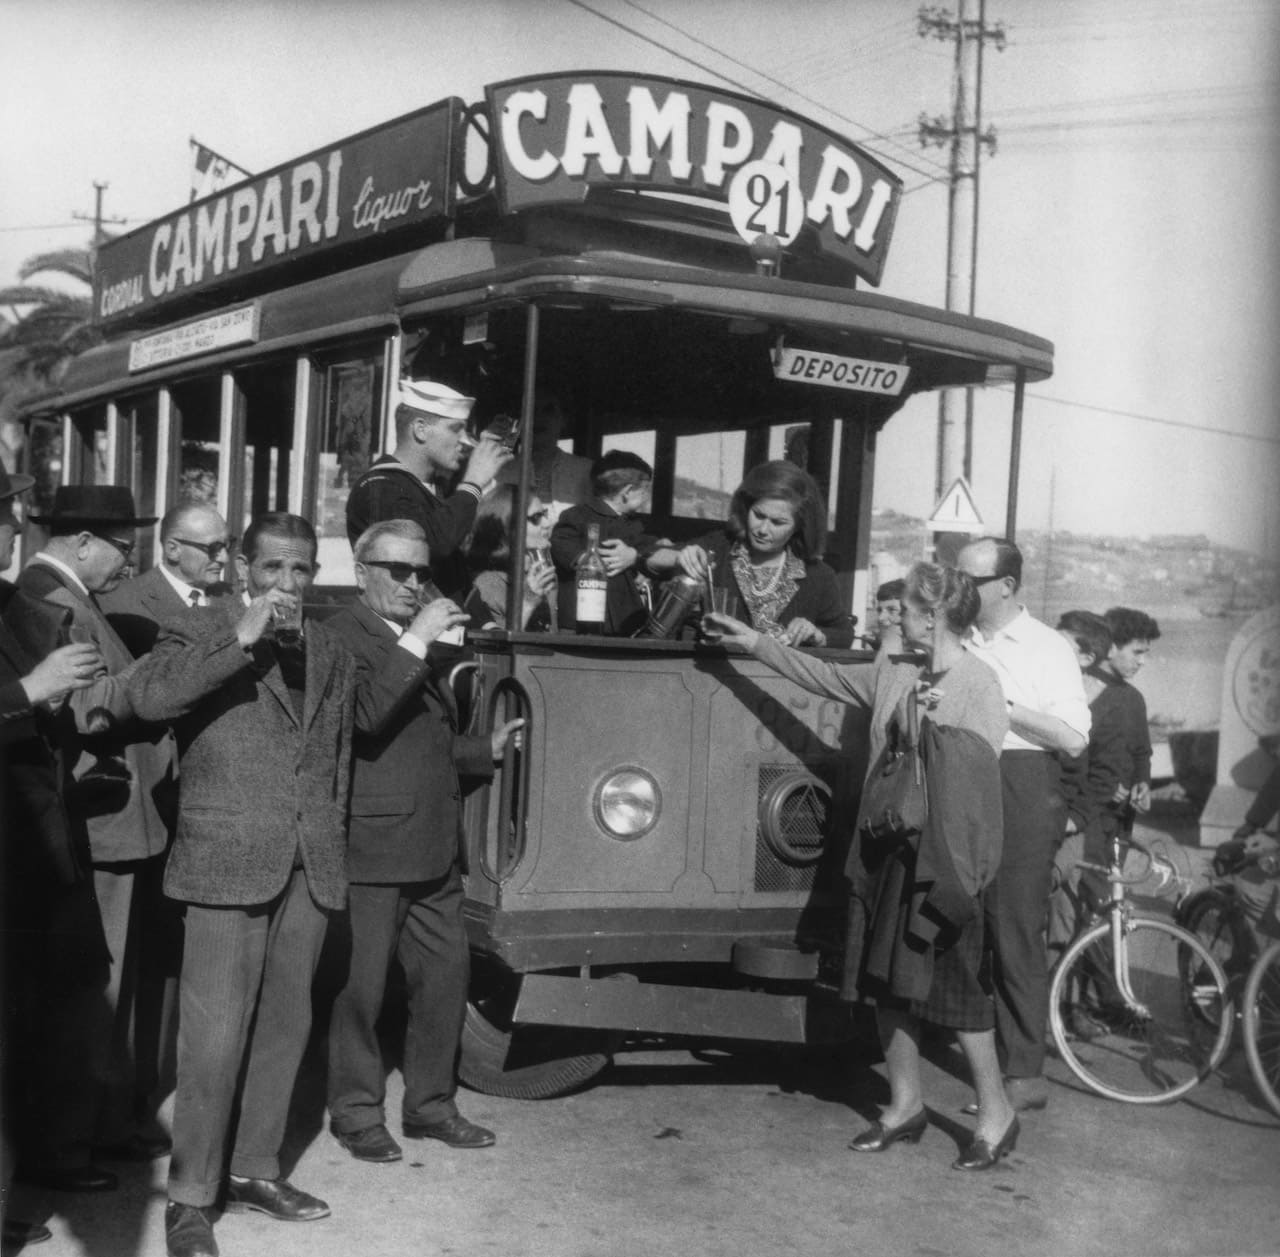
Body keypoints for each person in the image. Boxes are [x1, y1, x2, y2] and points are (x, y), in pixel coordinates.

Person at [707, 563, 1017, 1169]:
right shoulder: (895, 670)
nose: (893, 615)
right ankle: (905, 1106)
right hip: (883, 848)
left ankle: (997, 1113)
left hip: (940, 858)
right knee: (883, 985)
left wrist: (922, 723)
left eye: (903, 608)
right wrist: (754, 644)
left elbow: (974, 789)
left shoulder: (979, 684)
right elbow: (822, 675)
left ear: (933, 616)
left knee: (956, 994)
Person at [127, 513, 357, 1257]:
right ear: (241, 569)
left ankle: (257, 1168)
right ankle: (190, 1198)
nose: (287, 585)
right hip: (225, 860)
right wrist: (242, 638)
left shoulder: (331, 647)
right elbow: (153, 700)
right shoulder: (200, 629)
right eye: (272, 569)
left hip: (308, 863)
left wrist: (329, 843)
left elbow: (337, 760)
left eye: (301, 570)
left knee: (286, 1029)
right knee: (212, 1041)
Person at [325, 520, 522, 1163]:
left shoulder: (401, 638)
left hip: (433, 848)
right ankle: (356, 1114)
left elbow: (421, 744)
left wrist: (479, 751)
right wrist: (417, 639)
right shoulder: (337, 635)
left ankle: (431, 1106)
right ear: (362, 573)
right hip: (373, 848)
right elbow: (363, 720)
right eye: (397, 571)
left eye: (420, 571)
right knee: (359, 992)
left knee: (444, 981)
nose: (413, 583)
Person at [16, 485, 179, 1169]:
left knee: (105, 991)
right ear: (82, 541)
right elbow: (84, 709)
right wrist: (167, 679)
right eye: (123, 548)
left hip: (113, 822)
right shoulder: (52, 599)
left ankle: (101, 1127)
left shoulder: (68, 596)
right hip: (101, 822)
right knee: (91, 994)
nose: (128, 563)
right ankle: (67, 1145)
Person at [0, 459, 107, 1246]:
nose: (9, 530)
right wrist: (26, 691)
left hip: (35, 854)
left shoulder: (17, 603)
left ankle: (21, 1183)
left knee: (32, 1026)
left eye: (6, 514)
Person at [956, 537, 1090, 1113]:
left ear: (1006, 586)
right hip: (963, 775)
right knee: (964, 922)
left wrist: (996, 703)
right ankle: (981, 1056)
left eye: (970, 581)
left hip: (1024, 782)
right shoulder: (960, 635)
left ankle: (1023, 1073)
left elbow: (1074, 738)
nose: (958, 588)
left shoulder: (1046, 647)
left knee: (1014, 925)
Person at [651, 460, 855, 648]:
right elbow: (648, 557)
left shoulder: (818, 575)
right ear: (745, 507)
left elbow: (844, 635)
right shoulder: (719, 547)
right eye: (758, 515)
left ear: (800, 527)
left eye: (778, 522)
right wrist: (679, 556)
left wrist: (817, 634)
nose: (763, 529)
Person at [344, 378, 513, 599]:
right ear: (420, 430)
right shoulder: (379, 488)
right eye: (455, 430)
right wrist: (473, 482)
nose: (465, 441)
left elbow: (454, 577)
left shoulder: (433, 488)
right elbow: (432, 545)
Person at [101, 502, 233, 654]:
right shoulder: (121, 601)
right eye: (213, 548)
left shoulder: (234, 596)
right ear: (173, 550)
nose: (224, 558)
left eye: (228, 545)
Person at [551, 450, 659, 635]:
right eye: (645, 490)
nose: (647, 496)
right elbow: (563, 548)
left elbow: (652, 549)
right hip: (580, 624)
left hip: (625, 626)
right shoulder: (575, 517)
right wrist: (595, 560)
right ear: (627, 492)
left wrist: (639, 561)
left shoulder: (636, 527)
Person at [463, 486, 558, 631]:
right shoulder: (489, 585)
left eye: (545, 514)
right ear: (509, 527)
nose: (547, 524)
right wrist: (529, 601)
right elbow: (499, 648)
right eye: (537, 517)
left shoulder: (539, 578)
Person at [495, 392, 592, 528]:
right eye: (532, 410)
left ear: (563, 420)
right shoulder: (499, 470)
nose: (539, 418)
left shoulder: (586, 470)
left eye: (549, 410)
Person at [1099, 606, 1158, 817]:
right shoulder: (1081, 692)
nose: (1142, 661)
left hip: (1122, 816)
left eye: (1145, 653)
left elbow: (1141, 752)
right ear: (1111, 647)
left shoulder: (1134, 698)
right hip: (1084, 815)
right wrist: (1099, 786)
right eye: (1137, 652)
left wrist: (1143, 782)